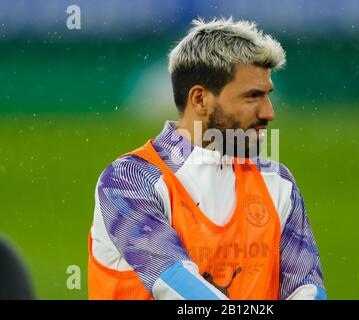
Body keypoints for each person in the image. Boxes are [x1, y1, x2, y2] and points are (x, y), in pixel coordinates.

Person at [88, 17, 326, 300]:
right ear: (200, 100)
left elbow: (307, 289)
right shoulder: (130, 180)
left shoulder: (277, 181)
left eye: (267, 96)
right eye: (252, 97)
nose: (268, 113)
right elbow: (179, 288)